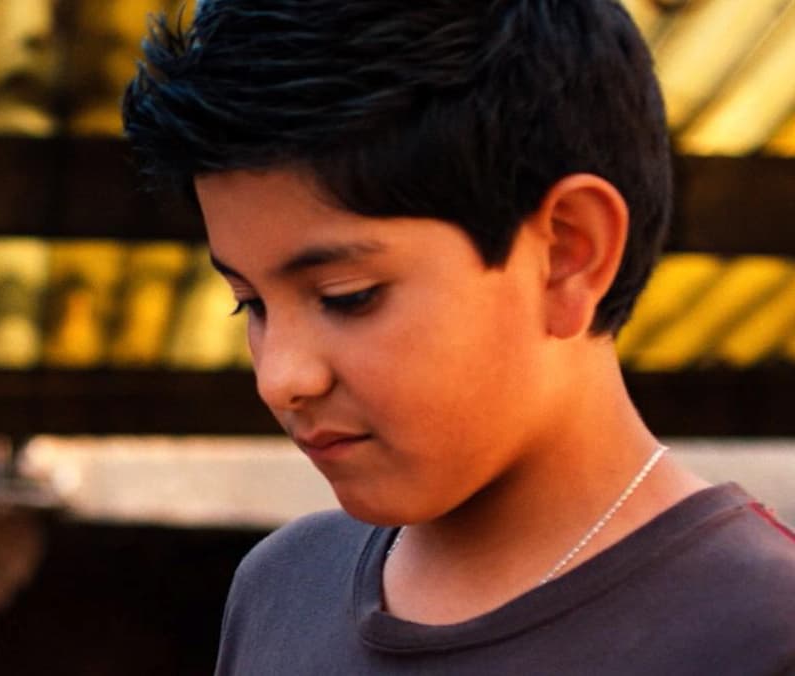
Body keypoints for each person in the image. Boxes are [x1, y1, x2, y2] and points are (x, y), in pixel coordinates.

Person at [122, 1, 795, 673]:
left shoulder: (762, 629)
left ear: (567, 254)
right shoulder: (283, 587)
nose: (280, 379)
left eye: (347, 296)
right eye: (250, 304)